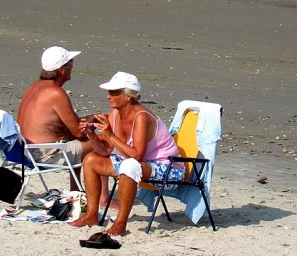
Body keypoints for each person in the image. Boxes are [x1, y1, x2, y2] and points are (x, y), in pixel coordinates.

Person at [69, 72, 185, 236]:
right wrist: (91, 134)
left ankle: (121, 223)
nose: (109, 96)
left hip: (168, 169)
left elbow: (137, 155)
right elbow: (106, 150)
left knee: (129, 165)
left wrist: (109, 135)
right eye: (109, 92)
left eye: (114, 92)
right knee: (91, 160)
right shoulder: (116, 113)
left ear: (128, 96)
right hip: (140, 165)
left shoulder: (141, 116)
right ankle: (91, 215)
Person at [17, 46, 93, 191]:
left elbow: (66, 126)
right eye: (70, 63)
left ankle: (75, 189)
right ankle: (101, 198)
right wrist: (93, 122)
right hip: (42, 155)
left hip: (23, 151)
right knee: (102, 143)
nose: (72, 67)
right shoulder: (56, 93)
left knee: (77, 143)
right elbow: (79, 132)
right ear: (62, 69)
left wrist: (90, 119)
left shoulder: (33, 87)